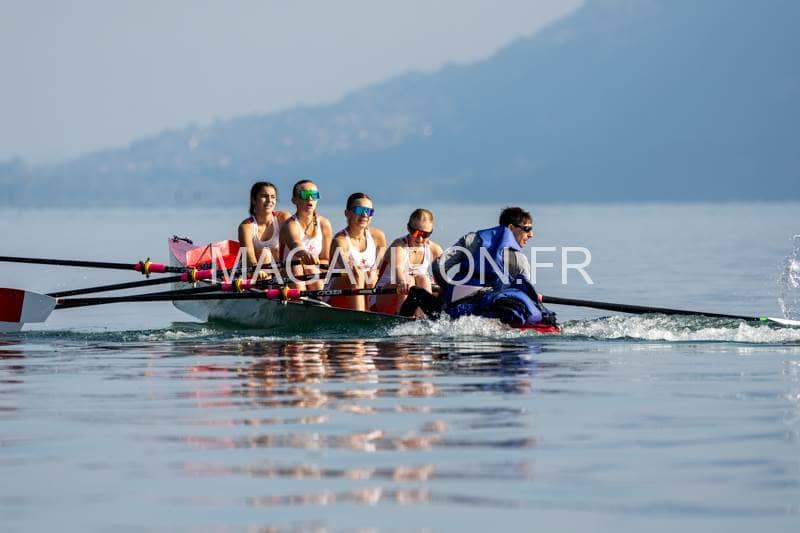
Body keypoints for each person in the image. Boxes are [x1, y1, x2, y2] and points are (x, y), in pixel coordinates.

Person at [399, 206, 557, 328]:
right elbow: (525, 292)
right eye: (527, 229)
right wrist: (534, 296)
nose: (531, 234)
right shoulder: (520, 260)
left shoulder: (471, 240)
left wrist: (448, 290)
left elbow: (438, 267)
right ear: (510, 228)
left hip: (453, 315)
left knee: (416, 293)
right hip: (490, 318)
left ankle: (398, 325)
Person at [371, 208, 443, 315]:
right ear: (408, 228)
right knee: (408, 279)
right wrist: (401, 281)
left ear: (431, 232)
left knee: (424, 279)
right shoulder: (398, 246)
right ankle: (401, 318)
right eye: (416, 232)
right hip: (382, 298)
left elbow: (443, 280)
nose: (420, 238)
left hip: (412, 295)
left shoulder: (435, 250)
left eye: (425, 234)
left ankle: (421, 318)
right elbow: (398, 268)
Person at [326, 193, 387, 311]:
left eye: (368, 211)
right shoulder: (340, 240)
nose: (364, 215)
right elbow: (347, 266)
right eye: (359, 210)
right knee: (357, 274)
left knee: (373, 276)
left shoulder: (378, 236)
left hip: (367, 287)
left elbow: (382, 267)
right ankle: (361, 314)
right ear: (347, 213)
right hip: (338, 293)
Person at [279, 179, 332, 290]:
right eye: (305, 195)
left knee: (311, 270)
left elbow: (325, 259)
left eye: (314, 195)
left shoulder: (324, 224)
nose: (310, 198)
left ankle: (318, 297)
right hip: (288, 273)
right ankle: (300, 298)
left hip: (313, 273)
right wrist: (304, 254)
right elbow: (295, 244)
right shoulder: (290, 224)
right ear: (294, 200)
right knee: (297, 267)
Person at [237, 181, 291, 270]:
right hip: (253, 270)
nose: (269, 200)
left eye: (273, 197)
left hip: (279, 268)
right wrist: (256, 269)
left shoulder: (283, 218)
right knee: (265, 254)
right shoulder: (246, 227)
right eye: (264, 196)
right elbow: (249, 257)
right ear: (254, 200)